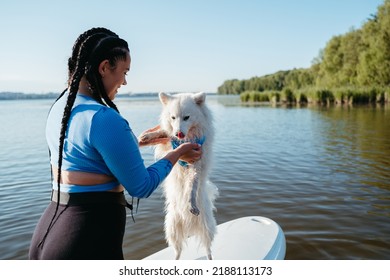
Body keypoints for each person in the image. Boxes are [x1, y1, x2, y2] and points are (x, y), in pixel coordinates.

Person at [29, 28, 201, 260]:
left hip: (48, 233)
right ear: (104, 68)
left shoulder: (60, 107)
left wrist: (137, 143)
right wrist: (178, 152)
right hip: (86, 238)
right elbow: (142, 186)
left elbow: (87, 157)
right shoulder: (104, 118)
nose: (125, 81)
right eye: (124, 71)